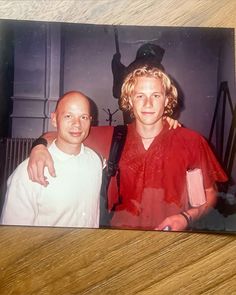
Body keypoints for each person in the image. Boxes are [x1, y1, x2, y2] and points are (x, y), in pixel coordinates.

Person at [27, 66, 228, 231]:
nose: (148, 103)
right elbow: (63, 133)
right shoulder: (113, 137)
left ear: (167, 100)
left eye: (156, 95)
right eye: (140, 96)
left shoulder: (191, 142)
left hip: (171, 245)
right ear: (130, 101)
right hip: (119, 244)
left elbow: (209, 193)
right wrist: (39, 147)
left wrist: (186, 217)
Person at [1, 91, 102, 228]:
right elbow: (13, 237)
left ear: (91, 121)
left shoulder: (95, 161)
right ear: (54, 119)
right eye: (68, 116)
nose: (77, 124)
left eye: (83, 117)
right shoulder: (29, 172)